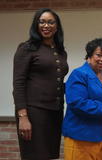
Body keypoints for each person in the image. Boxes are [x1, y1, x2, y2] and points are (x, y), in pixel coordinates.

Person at [12, 8, 68, 160]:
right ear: (36, 25)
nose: (46, 25)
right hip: (33, 112)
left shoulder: (61, 51)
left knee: (50, 155)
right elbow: (18, 84)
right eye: (42, 22)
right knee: (35, 156)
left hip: (55, 112)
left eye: (51, 22)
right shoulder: (26, 48)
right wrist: (23, 117)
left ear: (57, 27)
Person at [62, 38, 102, 160]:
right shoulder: (79, 74)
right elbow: (78, 103)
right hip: (82, 137)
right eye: (99, 55)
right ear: (89, 55)